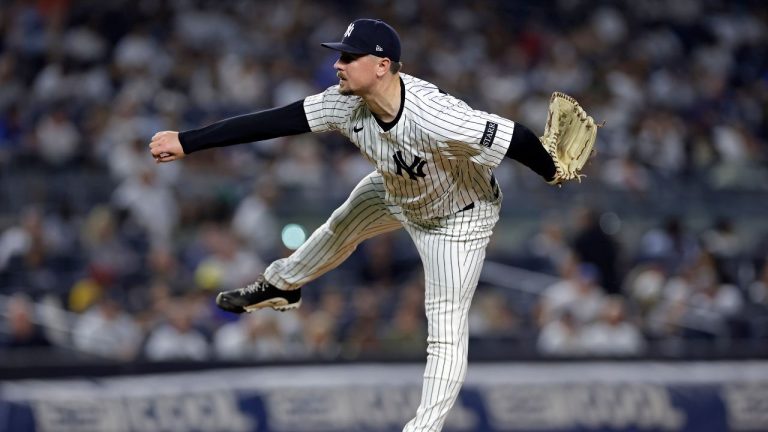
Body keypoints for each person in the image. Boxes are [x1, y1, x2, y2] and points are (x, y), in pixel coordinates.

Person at [149, 18, 599, 432]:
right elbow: (274, 121)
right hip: (397, 190)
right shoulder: (344, 104)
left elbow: (515, 136)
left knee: (445, 324)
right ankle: (282, 285)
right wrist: (189, 142)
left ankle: (423, 429)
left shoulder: (436, 116)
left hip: (458, 219)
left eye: (348, 57)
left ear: (382, 65)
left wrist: (550, 169)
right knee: (338, 229)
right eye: (339, 55)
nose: (336, 64)